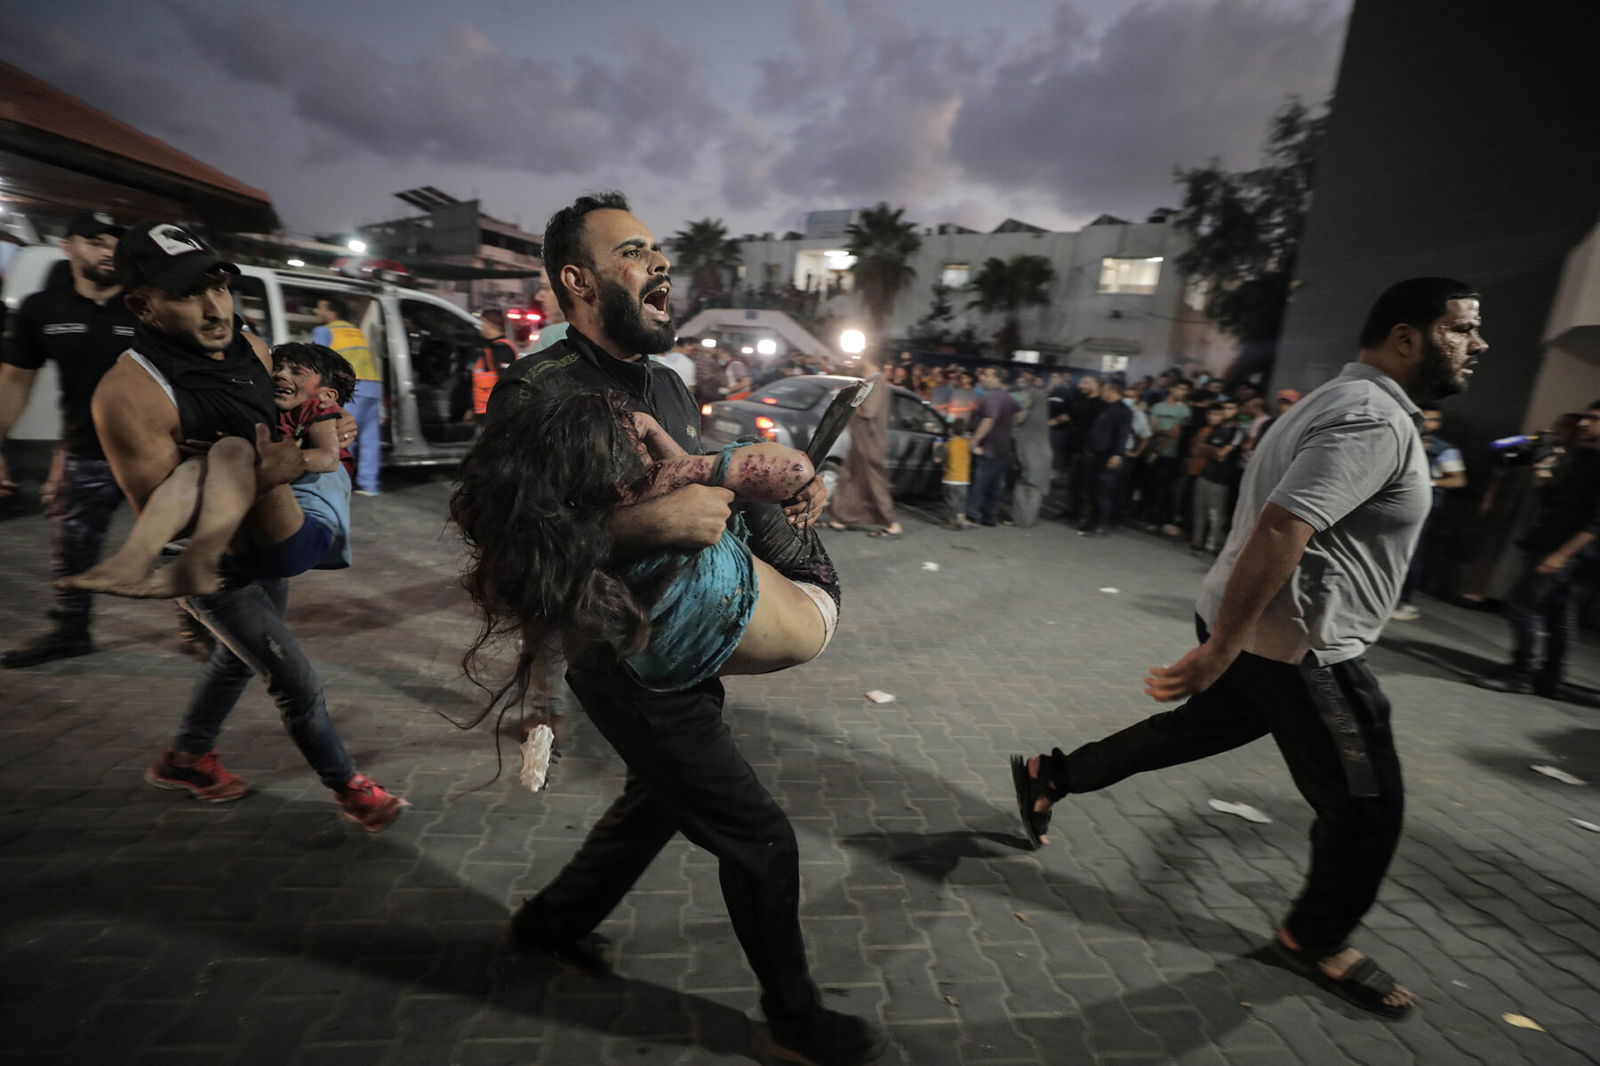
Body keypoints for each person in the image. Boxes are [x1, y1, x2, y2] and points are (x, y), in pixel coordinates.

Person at [1012, 277, 1488, 1020]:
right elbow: (1280, 529)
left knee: (1186, 733)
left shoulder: (1339, 401)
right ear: (1406, 337)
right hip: (1302, 649)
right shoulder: (1372, 419)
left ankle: (1052, 774)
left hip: (1260, 635)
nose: (1478, 344)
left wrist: (1223, 642)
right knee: (1368, 811)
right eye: (1462, 329)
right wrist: (1222, 650)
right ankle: (1314, 938)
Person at [480, 193, 885, 1065]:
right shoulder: (539, 390)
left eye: (659, 249)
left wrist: (782, 492)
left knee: (660, 801)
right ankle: (795, 1022)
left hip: (683, 638)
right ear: (578, 282)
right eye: (634, 251)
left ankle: (549, 924)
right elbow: (508, 549)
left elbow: (698, 485)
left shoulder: (664, 381)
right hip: (621, 656)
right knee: (762, 840)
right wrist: (642, 529)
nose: (660, 264)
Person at [90, 221, 404, 832]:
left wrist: (328, 428)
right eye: (187, 293)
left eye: (220, 286)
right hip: (210, 567)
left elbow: (288, 422)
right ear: (142, 305)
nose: (214, 307)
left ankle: (186, 757)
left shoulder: (251, 346)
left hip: (270, 538)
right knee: (296, 680)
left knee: (235, 661)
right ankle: (350, 788)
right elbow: (162, 513)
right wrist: (257, 476)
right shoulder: (128, 394)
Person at [0, 211, 214, 666]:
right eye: (93, 241)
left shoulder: (146, 306)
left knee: (177, 543)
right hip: (86, 453)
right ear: (68, 247)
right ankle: (71, 632)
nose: (105, 251)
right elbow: (14, 382)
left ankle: (202, 626)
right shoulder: (43, 310)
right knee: (74, 547)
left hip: (160, 453)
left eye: (112, 244)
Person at [63, 342, 357, 598]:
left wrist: (270, 459)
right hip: (251, 552)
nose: (280, 374)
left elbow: (328, 458)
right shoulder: (264, 410)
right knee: (197, 465)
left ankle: (197, 561)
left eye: (296, 372)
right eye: (277, 367)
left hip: (306, 535)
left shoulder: (315, 411)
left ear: (327, 395)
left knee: (234, 448)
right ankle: (133, 558)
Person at [1471, 403, 1600, 700]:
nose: (1583, 424)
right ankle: (1549, 678)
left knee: (1521, 606)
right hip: (1551, 541)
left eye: (1593, 419)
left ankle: (1521, 673)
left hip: (1565, 549)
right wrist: (1542, 473)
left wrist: (1562, 555)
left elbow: (1597, 521)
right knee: (1559, 613)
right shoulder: (1586, 457)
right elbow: (1557, 501)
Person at [1390, 408, 1466, 621]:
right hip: (1394, 503)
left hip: (1424, 508)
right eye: (1426, 419)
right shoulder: (1402, 439)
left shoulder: (1444, 450)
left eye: (1435, 420)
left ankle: (1406, 602)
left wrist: (1427, 482)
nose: (1430, 423)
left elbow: (1458, 480)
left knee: (1412, 553)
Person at [826, 347, 901, 537]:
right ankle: (840, 518)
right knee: (849, 478)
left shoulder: (877, 381)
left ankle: (890, 522)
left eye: (860, 356)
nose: (857, 360)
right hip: (861, 439)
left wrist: (847, 404)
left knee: (874, 482)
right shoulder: (872, 380)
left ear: (868, 358)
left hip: (870, 441)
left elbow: (869, 411)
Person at [312, 295, 382, 496]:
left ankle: (340, 484)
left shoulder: (324, 330)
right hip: (372, 387)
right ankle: (369, 485)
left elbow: (315, 359)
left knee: (344, 435)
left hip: (354, 389)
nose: (317, 312)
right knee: (369, 437)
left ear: (331, 312)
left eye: (320, 308)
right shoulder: (355, 331)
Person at [966, 366, 1020, 527]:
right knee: (994, 486)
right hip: (1003, 449)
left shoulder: (992, 398)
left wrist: (974, 440)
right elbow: (1017, 414)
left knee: (980, 483)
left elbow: (989, 419)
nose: (982, 377)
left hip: (989, 448)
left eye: (986, 375)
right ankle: (990, 516)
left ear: (997, 378)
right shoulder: (1007, 397)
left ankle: (972, 515)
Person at [1190, 400, 1245, 555]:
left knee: (1215, 514)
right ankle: (1197, 542)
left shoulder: (1236, 432)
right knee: (1199, 510)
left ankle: (1212, 545)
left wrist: (1213, 451)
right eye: (1224, 408)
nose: (1226, 411)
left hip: (1220, 478)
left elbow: (1223, 454)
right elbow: (1200, 450)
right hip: (1205, 473)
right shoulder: (1216, 429)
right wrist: (1215, 451)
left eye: (1230, 408)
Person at [1078, 379, 1132, 536]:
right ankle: (1093, 521)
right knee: (1093, 490)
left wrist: (1116, 455)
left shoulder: (1122, 410)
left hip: (1108, 457)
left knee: (1103, 492)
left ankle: (1103, 524)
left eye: (1105, 390)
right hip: (1097, 454)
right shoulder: (1106, 408)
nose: (1102, 392)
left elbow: (1122, 436)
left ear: (1111, 390)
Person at [1141, 381, 1191, 533]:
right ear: (1172, 389)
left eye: (1185, 390)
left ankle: (1161, 520)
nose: (1183, 392)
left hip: (1170, 454)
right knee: (1151, 485)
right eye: (1180, 388)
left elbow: (1175, 435)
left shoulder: (1185, 410)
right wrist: (1163, 432)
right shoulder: (1158, 407)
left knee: (1166, 488)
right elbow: (1151, 428)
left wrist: (1157, 448)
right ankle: (1148, 517)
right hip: (1152, 451)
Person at [1010, 371, 1052, 528]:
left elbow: (1017, 422)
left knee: (1026, 489)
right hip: (1039, 458)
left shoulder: (1031, 419)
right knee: (1033, 490)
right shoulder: (1041, 420)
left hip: (1032, 457)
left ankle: (1022, 520)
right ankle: (1026, 521)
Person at [469, 310, 519, 422]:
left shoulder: (501, 348)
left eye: (482, 323)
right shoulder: (491, 347)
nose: (481, 327)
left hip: (495, 412)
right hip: (486, 410)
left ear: (490, 324)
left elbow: (505, 381)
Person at [942, 417, 972, 530]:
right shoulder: (967, 444)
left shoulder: (947, 445)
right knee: (961, 502)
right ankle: (961, 520)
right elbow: (978, 450)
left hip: (949, 479)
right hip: (963, 480)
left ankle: (952, 521)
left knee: (950, 502)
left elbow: (936, 459)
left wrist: (935, 447)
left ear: (951, 430)